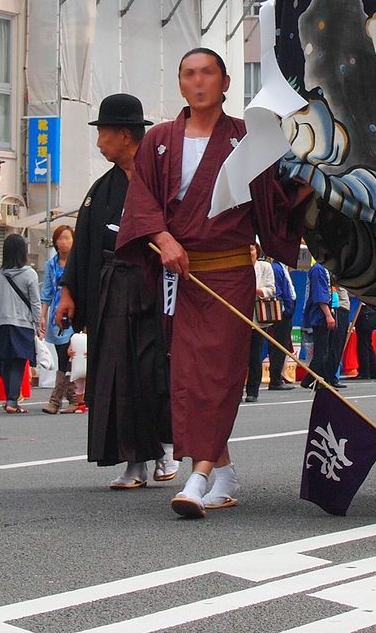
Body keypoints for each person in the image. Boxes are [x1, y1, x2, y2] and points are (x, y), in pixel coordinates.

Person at [116, 48, 311, 518]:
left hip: (229, 273)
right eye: (189, 73)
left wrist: (309, 184)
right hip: (179, 274)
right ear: (180, 84)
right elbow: (141, 205)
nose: (198, 81)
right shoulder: (159, 140)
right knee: (186, 375)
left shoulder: (248, 138)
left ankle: (198, 475)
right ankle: (222, 473)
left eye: (208, 73)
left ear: (226, 83)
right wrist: (163, 239)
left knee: (218, 375)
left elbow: (274, 205)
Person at [54, 95, 176, 488]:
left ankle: (166, 450)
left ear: (125, 135)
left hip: (154, 290)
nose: (98, 142)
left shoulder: (161, 177)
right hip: (111, 291)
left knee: (155, 371)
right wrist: (69, 292)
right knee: (117, 376)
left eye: (103, 133)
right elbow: (84, 244)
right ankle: (134, 462)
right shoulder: (101, 189)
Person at [0, 233, 42, 413]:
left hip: (0, 323)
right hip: (22, 324)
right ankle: (12, 401)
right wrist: (37, 324)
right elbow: (35, 302)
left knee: (4, 361)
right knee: (18, 362)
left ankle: (9, 398)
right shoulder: (30, 274)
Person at [40, 225, 77, 414]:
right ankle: (73, 398)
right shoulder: (51, 264)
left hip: (74, 314)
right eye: (60, 238)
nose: (64, 242)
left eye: (68, 238)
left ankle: (56, 400)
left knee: (67, 354)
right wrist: (43, 316)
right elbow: (46, 292)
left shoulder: (77, 262)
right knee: (64, 355)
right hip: (56, 316)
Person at [244, 247, 277, 402]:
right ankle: (236, 391)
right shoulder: (238, 267)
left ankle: (252, 391)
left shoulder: (265, 267)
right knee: (237, 358)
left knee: (255, 356)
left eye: (251, 249)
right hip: (238, 318)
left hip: (257, 319)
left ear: (257, 251)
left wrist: (256, 290)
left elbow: (271, 290)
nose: (249, 253)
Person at [301, 258, 335, 389]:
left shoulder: (323, 269)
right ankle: (312, 379)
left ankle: (318, 379)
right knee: (321, 350)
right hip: (318, 315)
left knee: (323, 349)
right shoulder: (318, 270)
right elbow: (319, 296)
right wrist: (328, 315)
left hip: (321, 313)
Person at [266, 257, 296, 390]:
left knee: (283, 344)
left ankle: (278, 376)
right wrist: (284, 310)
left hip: (285, 312)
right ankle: (276, 379)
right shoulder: (276, 268)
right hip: (281, 314)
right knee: (279, 345)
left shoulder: (282, 268)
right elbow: (278, 292)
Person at [353, 297, 376, 381]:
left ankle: (365, 372)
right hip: (371, 311)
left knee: (363, 343)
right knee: (367, 343)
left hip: (365, 313)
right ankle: (373, 371)